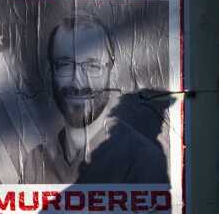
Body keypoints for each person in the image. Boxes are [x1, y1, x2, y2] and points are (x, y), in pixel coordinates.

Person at [21, 13, 169, 185]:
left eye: (93, 66)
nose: (78, 82)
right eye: (64, 64)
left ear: (112, 74)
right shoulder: (35, 161)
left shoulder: (142, 160)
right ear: (50, 73)